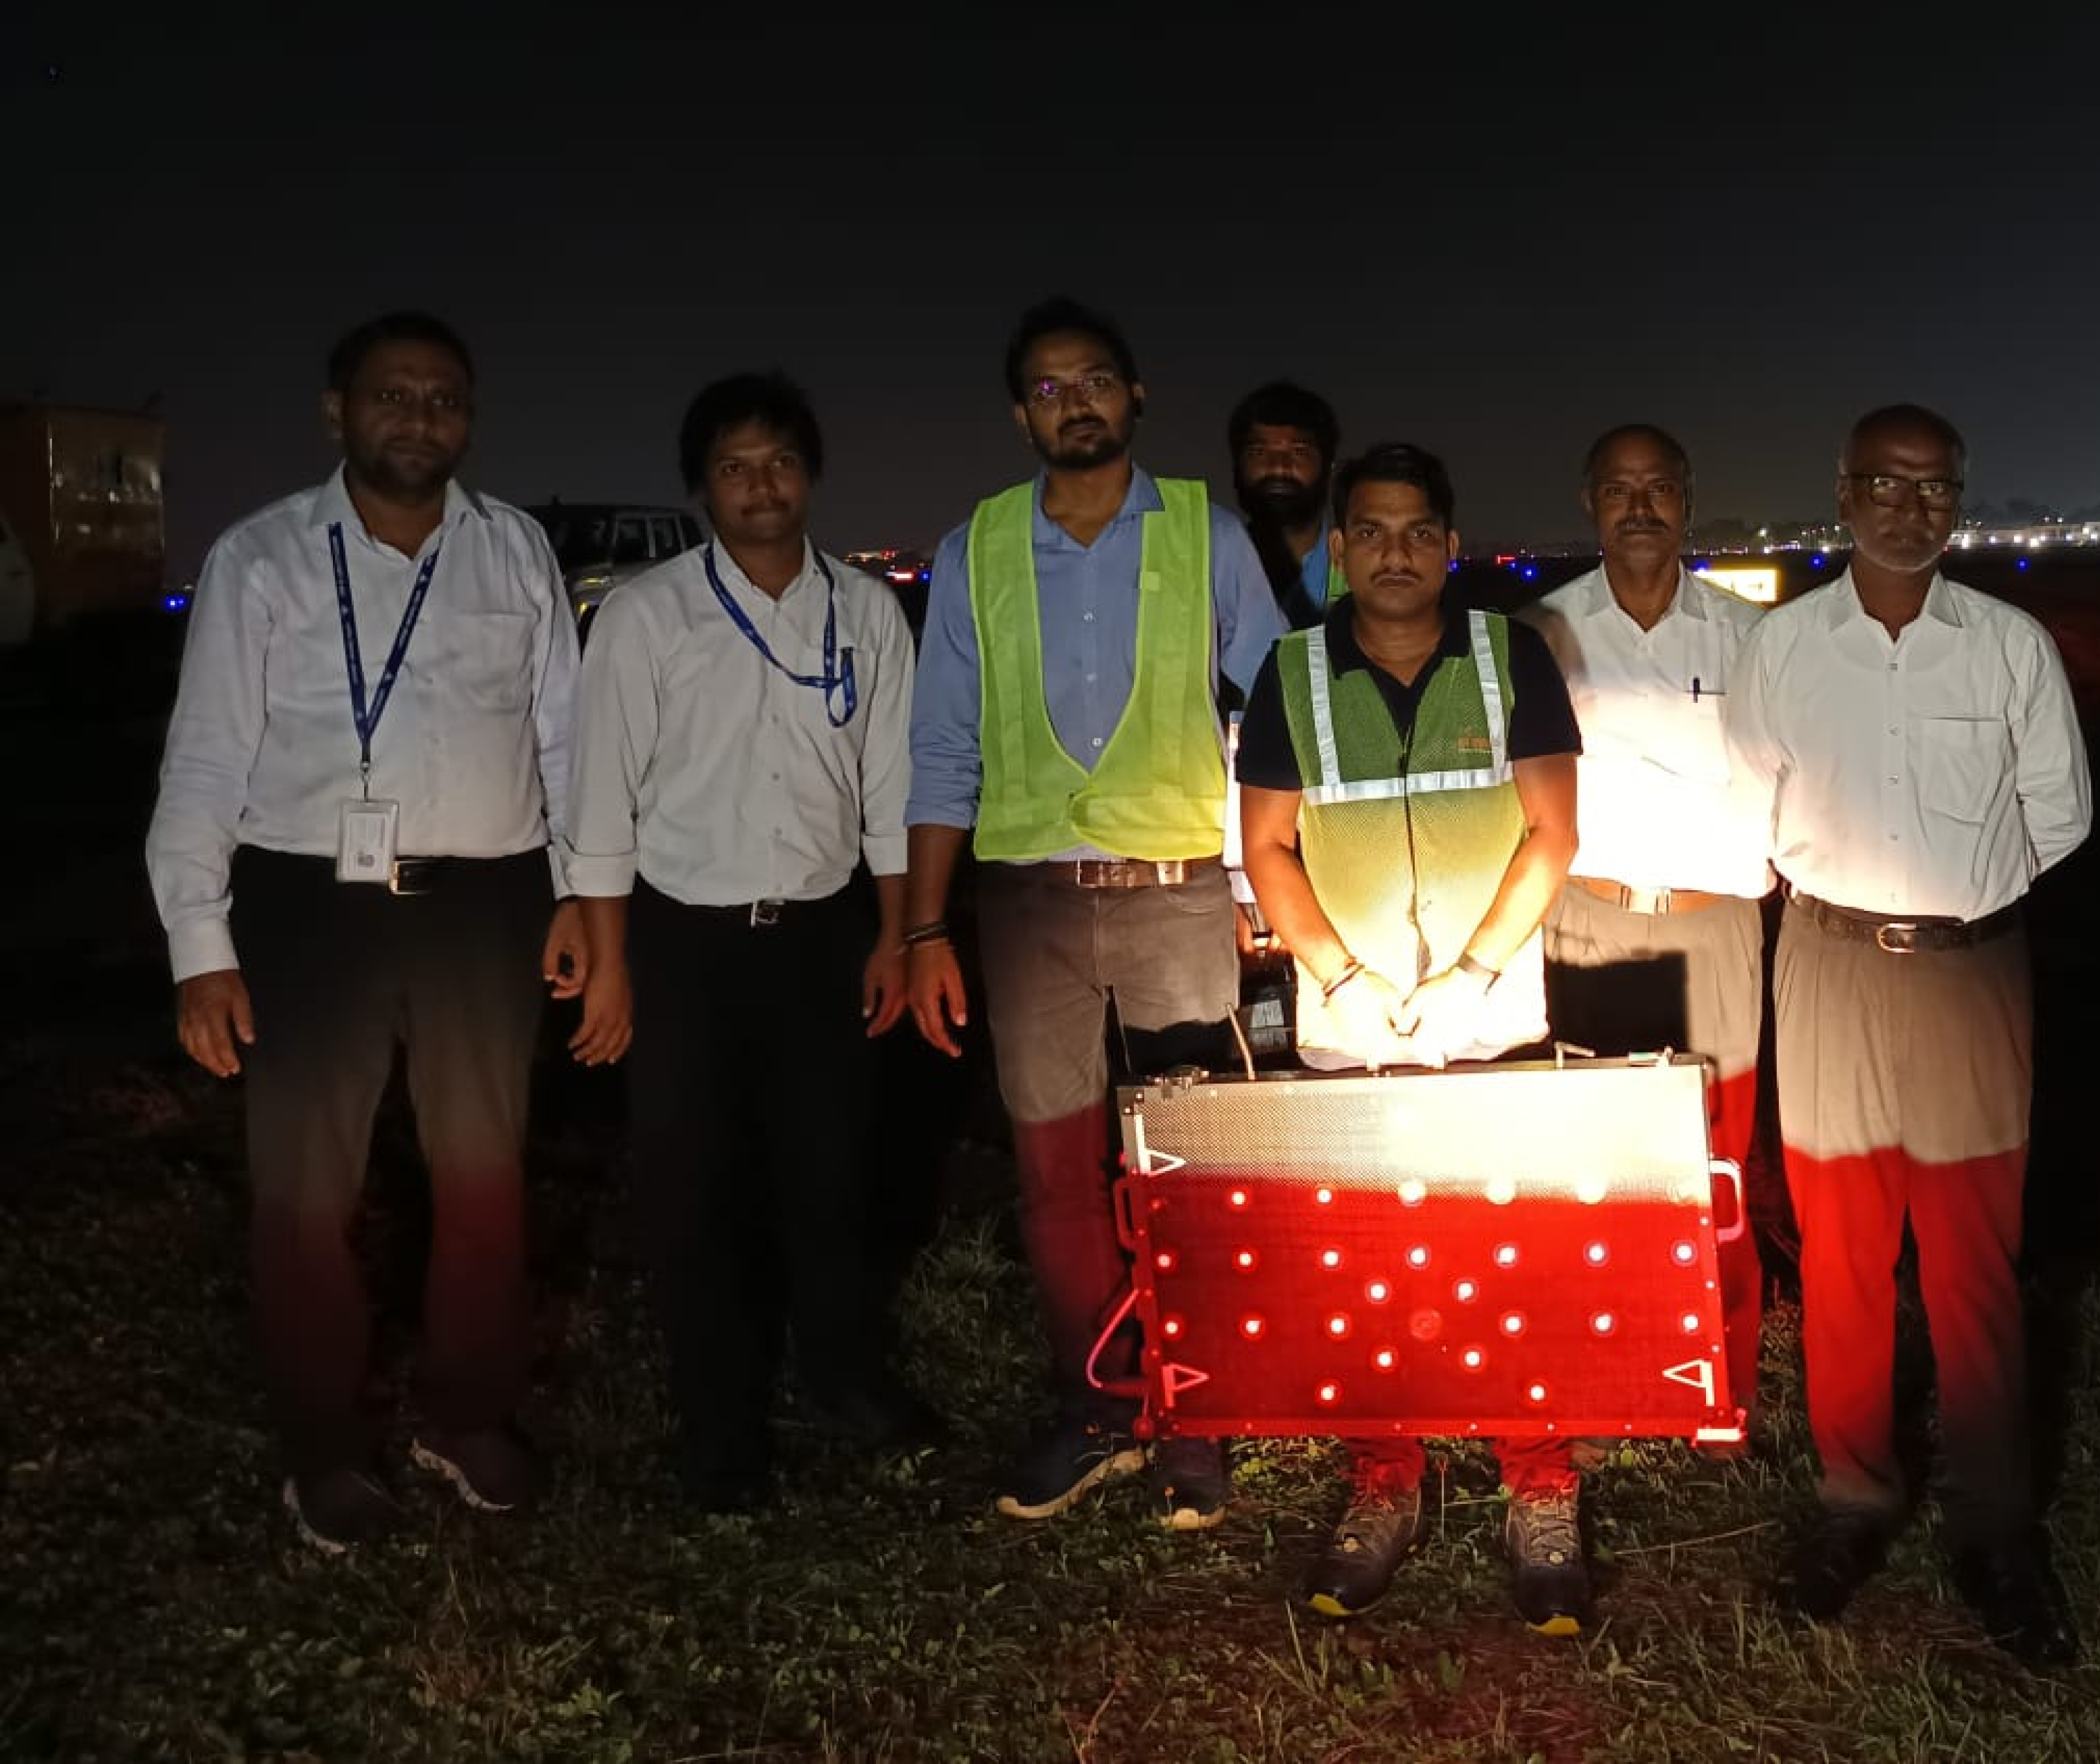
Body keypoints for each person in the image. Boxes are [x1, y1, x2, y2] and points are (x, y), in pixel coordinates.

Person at [145, 311, 588, 1551]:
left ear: (470, 417)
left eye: (443, 399)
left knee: (486, 1179)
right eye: (391, 396)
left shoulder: (515, 556)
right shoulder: (263, 559)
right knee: (304, 1191)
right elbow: (204, 763)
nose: (419, 419)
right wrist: (202, 945)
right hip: (305, 906)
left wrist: (579, 896)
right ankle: (323, 1444)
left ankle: (468, 1412)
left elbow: (567, 744)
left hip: (486, 902)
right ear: (336, 410)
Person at [901, 298, 1283, 1531]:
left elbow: (1276, 701)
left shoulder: (1206, 534)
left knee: (1189, 1167)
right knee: (1057, 1173)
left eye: (1097, 381)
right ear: (1023, 414)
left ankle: (1200, 1411)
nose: (1077, 402)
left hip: (1175, 894)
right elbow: (943, 742)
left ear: (1137, 397)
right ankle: (1103, 1403)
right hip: (1028, 905)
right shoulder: (977, 548)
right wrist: (922, 927)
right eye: (1052, 389)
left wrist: (1261, 879)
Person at [1727, 404, 2089, 1667]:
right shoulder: (1785, 648)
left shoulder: (2009, 647)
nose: (1907, 506)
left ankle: (1995, 1526)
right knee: (1841, 1251)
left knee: (1975, 1261)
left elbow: (2060, 818)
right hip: (1825, 964)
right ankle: (1853, 1496)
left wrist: (1953, 900)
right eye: (1884, 483)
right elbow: (1752, 803)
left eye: (1933, 488)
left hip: (1968, 971)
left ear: (1959, 503)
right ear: (1843, 493)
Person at [560, 372, 934, 1511]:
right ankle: (720, 1433)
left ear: (809, 474)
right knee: (693, 1191)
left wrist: (894, 936)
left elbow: (888, 788)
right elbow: (600, 802)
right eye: (734, 467)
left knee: (831, 1173)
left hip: (822, 937)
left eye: (778, 462)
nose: (759, 484)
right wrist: (612, 964)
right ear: (701, 487)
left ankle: (840, 1378)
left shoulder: (866, 612)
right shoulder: (645, 615)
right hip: (684, 943)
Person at [1235, 443, 1587, 1628]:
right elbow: (1269, 846)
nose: (1394, 552)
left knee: (1512, 1256)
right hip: (1351, 1023)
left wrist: (1481, 968)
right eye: (1369, 531)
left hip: (1493, 1015)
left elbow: (1552, 833)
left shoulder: (1511, 659)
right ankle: (1384, 1478)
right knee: (1373, 1262)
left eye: (1416, 530)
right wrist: (1340, 973)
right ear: (1340, 549)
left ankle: (1539, 1482)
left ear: (1450, 544)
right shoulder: (1291, 672)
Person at [1524, 423, 1773, 1425]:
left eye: (1659, 487)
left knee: (1719, 1163)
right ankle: (1606, 1377)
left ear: (1687, 498)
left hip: (1714, 930)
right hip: (1588, 915)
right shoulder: (1541, 630)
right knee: (1596, 1166)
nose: (1640, 506)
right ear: (1589, 501)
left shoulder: (1750, 635)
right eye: (1619, 489)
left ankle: (1721, 1378)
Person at [1227, 378, 1342, 629]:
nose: (1278, 466)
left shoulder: (1365, 573)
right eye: (1259, 452)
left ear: (1329, 468)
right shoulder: (1207, 570)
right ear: (1236, 468)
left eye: (1299, 452)